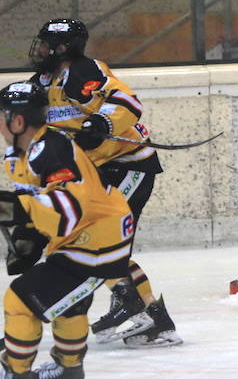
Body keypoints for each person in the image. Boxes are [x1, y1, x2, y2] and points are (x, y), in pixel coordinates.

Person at [28, 18, 180, 348]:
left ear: (65, 47)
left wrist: (101, 120)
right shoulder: (40, 82)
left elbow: (128, 102)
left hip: (128, 166)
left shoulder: (83, 71)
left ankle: (137, 307)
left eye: (46, 43)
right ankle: (152, 317)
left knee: (102, 239)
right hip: (99, 171)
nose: (39, 49)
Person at [0, 82, 136, 379]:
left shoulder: (49, 150)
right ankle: (69, 369)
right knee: (69, 300)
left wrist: (17, 210)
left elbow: (67, 207)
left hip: (94, 240)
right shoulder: (29, 149)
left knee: (19, 300)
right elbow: (45, 199)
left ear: (18, 121)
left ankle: (15, 375)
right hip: (93, 232)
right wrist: (29, 235)